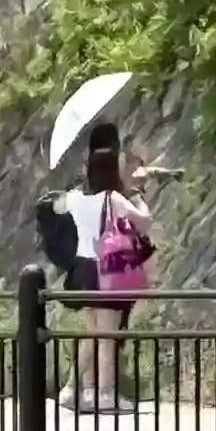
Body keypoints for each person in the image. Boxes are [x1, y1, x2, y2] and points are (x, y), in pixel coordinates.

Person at [60, 145, 152, 412]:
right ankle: (105, 394)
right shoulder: (112, 198)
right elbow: (144, 221)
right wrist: (137, 197)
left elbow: (56, 207)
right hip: (106, 270)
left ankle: (72, 389)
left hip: (82, 270)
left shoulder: (74, 198)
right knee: (107, 336)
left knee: (91, 333)